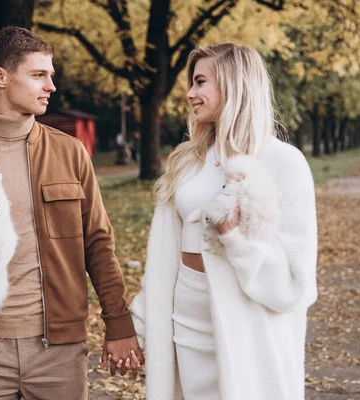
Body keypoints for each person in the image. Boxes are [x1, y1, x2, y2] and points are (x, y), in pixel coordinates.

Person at [0, 26, 143, 400]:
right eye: (38, 75)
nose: (51, 86)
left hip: (58, 351)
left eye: (51, 76)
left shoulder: (70, 153)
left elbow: (98, 242)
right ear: (1, 77)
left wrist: (119, 323)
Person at [130, 43, 318, 399]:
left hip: (244, 327)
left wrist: (234, 239)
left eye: (200, 82)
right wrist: (141, 323)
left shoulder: (283, 162)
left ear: (234, 84)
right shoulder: (188, 160)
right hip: (185, 321)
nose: (189, 93)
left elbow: (296, 283)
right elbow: (163, 254)